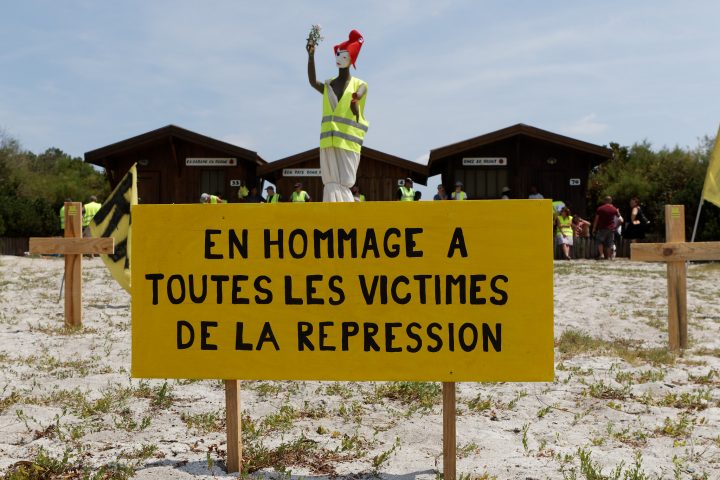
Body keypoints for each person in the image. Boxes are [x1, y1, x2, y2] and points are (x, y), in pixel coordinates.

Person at [307, 29, 368, 202]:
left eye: (344, 54)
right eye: (338, 54)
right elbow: (312, 82)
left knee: (344, 182)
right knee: (331, 182)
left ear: (352, 58)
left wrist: (355, 101)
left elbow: (360, 93)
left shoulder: (360, 84)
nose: (339, 57)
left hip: (349, 144)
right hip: (328, 141)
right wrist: (311, 56)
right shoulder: (328, 86)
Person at [592, 196, 622, 260]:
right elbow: (621, 220)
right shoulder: (614, 209)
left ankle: (602, 254)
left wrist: (594, 228)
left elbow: (596, 219)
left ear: (604, 201)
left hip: (602, 228)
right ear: (611, 201)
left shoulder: (600, 209)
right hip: (611, 229)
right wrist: (616, 227)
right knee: (609, 243)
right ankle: (608, 257)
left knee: (599, 241)